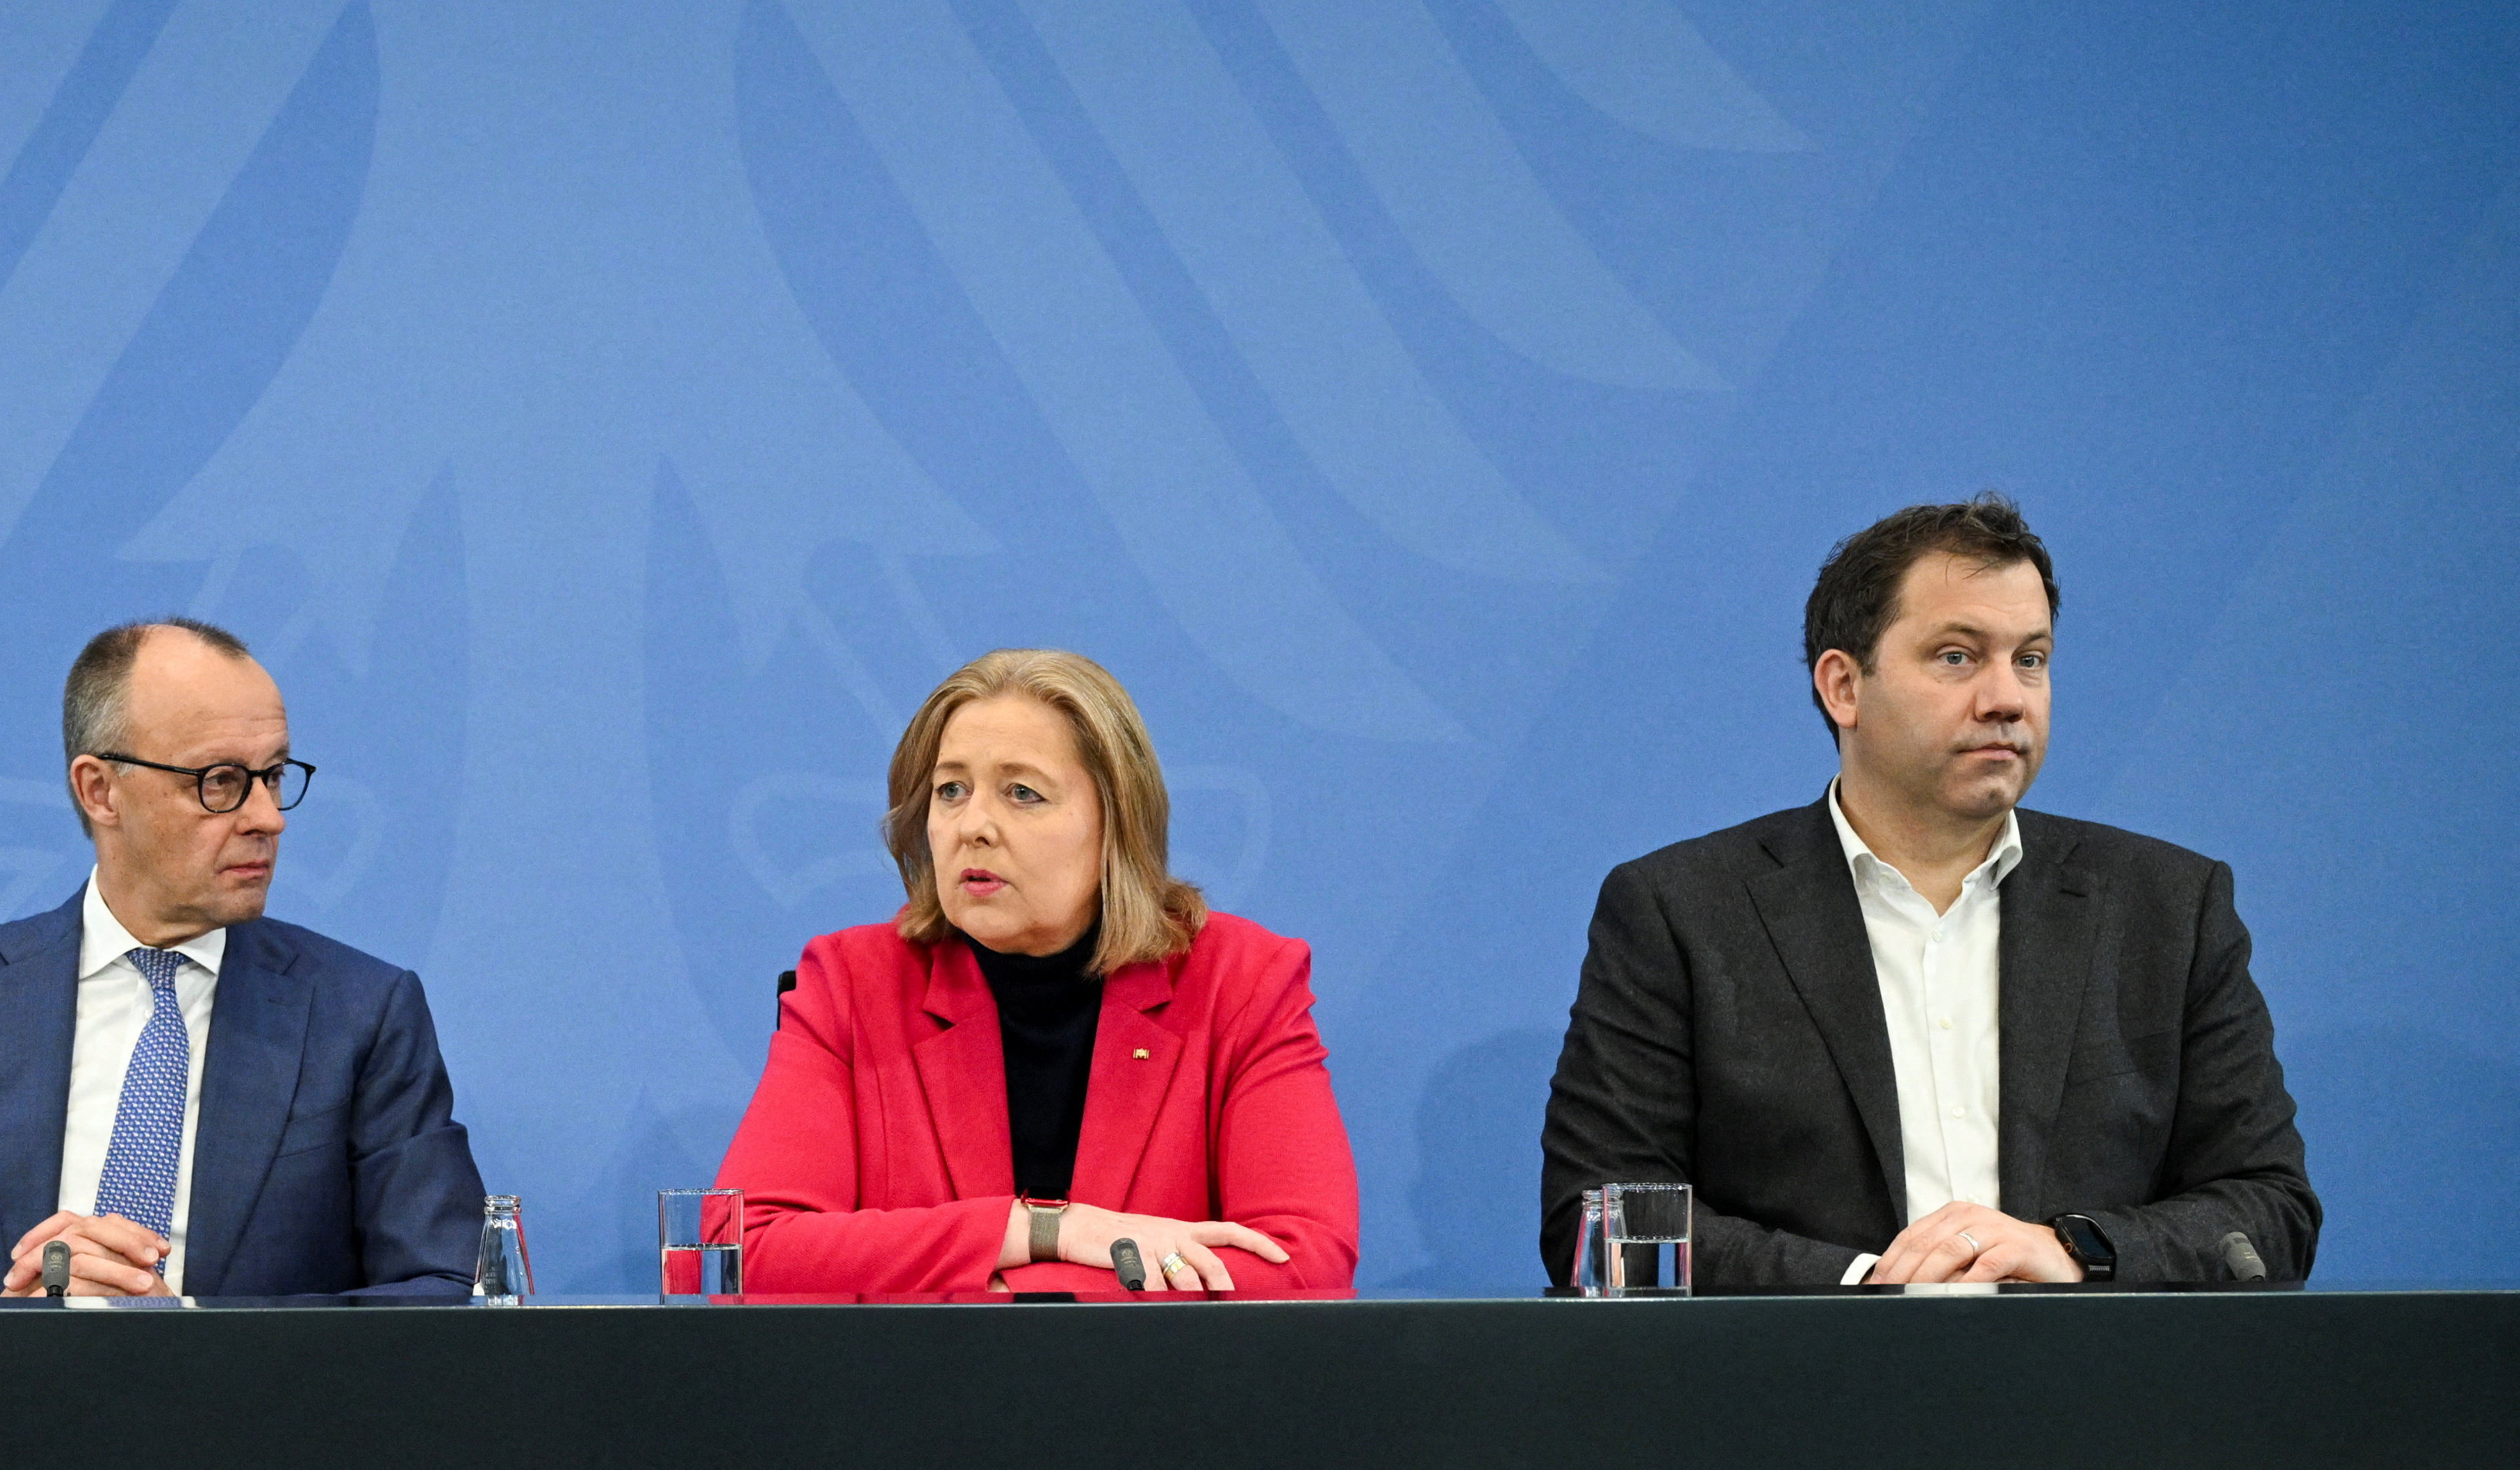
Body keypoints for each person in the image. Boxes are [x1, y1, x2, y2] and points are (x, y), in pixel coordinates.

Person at [1540, 494, 2315, 1290]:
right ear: (1843, 685)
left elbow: (2269, 1211)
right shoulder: (1682, 912)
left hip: (2089, 1393)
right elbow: (1602, 1219)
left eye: (2030, 658)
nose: (2006, 697)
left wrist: (2077, 1250)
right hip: (1794, 1392)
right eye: (1956, 656)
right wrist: (1866, 1286)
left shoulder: (2167, 908)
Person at [0, 617, 484, 1302]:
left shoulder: (360, 1015)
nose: (267, 817)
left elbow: (443, 1290)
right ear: (100, 790)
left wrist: (185, 1333)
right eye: (221, 782)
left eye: (273, 775)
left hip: (244, 1427)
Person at [717, 648, 1358, 1297]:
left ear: (1116, 821)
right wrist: (1049, 1231)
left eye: (1023, 793)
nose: (974, 826)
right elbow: (739, 1252)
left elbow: (1303, 1268)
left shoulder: (1241, 983)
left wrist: (997, 1292)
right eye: (951, 790)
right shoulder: (851, 983)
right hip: (910, 1395)